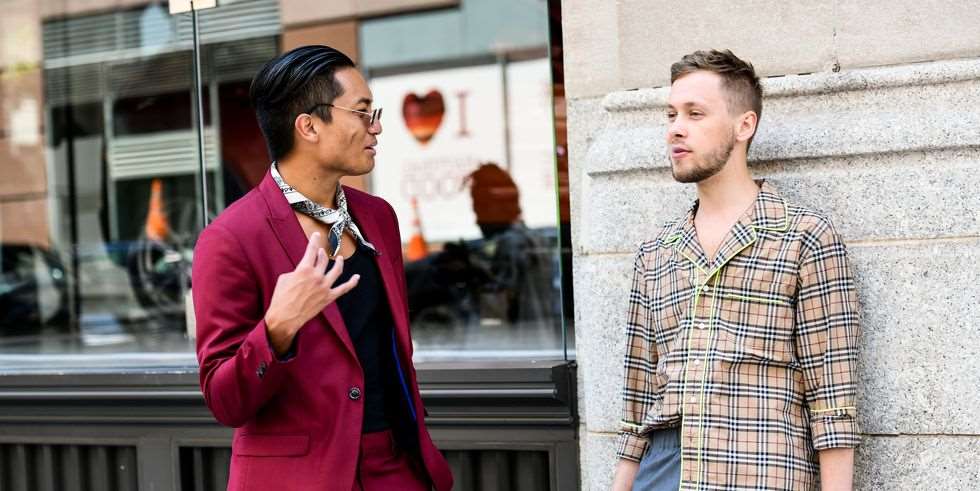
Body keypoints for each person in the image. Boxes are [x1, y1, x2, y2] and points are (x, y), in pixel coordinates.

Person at [192, 45, 453, 491]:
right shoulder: (231, 238)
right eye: (362, 112)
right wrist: (277, 328)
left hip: (395, 468)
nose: (376, 126)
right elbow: (224, 400)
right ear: (309, 126)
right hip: (297, 479)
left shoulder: (378, 218)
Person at [611, 49, 860, 490]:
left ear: (745, 125)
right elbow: (638, 401)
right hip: (666, 468)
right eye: (671, 114)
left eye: (695, 113)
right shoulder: (655, 252)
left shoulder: (804, 237)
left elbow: (832, 400)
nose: (676, 128)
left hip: (761, 466)